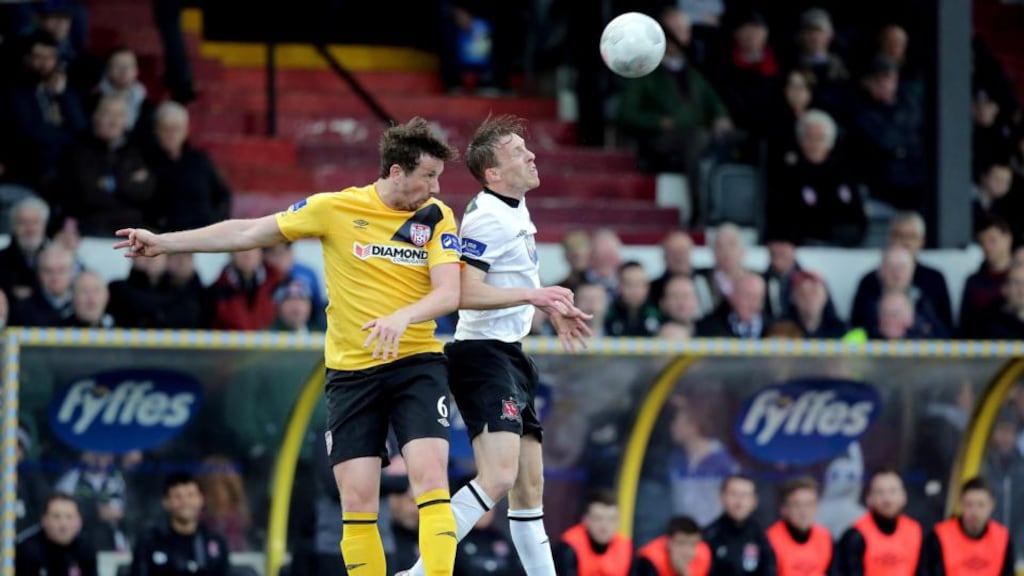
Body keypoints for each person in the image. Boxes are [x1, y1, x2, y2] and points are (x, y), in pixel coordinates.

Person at [114, 117, 464, 576]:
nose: (436, 187)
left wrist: (403, 316)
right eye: (428, 176)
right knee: (357, 497)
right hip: (353, 373)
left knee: (431, 479)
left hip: (416, 362)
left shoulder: (436, 216)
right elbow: (248, 232)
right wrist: (166, 244)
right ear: (397, 172)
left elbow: (448, 293)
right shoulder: (335, 208)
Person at [400, 115, 589, 576]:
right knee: (500, 476)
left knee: (529, 488)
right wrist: (533, 295)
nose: (531, 155)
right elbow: (463, 291)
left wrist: (546, 306)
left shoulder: (513, 209)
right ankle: (421, 572)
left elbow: (509, 281)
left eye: (528, 148)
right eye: (518, 152)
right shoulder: (486, 218)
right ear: (494, 174)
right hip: (482, 354)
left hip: (510, 354)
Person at [130, 473, 230, 576]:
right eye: (178, 497)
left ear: (201, 499)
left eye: (191, 495)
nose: (185, 502)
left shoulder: (215, 541)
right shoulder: (149, 542)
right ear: (166, 502)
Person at [920, 477, 1013, 576]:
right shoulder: (939, 536)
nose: (975, 512)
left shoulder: (1002, 538)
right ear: (960, 504)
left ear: (991, 505)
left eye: (981, 505)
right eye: (969, 504)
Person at [836, 468, 921, 576]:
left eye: (893, 491)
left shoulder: (915, 531)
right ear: (869, 499)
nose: (887, 499)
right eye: (880, 492)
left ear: (904, 496)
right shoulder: (855, 535)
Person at [704, 475, 775, 576]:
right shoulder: (709, 536)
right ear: (721, 497)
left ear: (754, 501)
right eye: (733, 494)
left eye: (745, 495)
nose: (739, 502)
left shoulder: (765, 535)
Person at [16, 492, 97, 576]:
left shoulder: (85, 549)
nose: (63, 524)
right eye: (56, 517)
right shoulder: (27, 552)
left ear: (79, 521)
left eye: (69, 517)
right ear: (44, 520)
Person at [554, 490, 633, 576]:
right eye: (598, 518)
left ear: (618, 522)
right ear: (585, 520)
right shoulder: (568, 547)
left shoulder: (626, 547)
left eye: (611, 519)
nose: (604, 526)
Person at [765, 476, 832, 576]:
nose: (803, 511)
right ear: (784, 509)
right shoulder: (770, 540)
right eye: (797, 505)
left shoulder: (824, 537)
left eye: (809, 504)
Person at [635, 516, 712, 576]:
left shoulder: (704, 555)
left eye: (693, 544)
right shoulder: (649, 560)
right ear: (668, 542)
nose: (687, 552)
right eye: (681, 543)